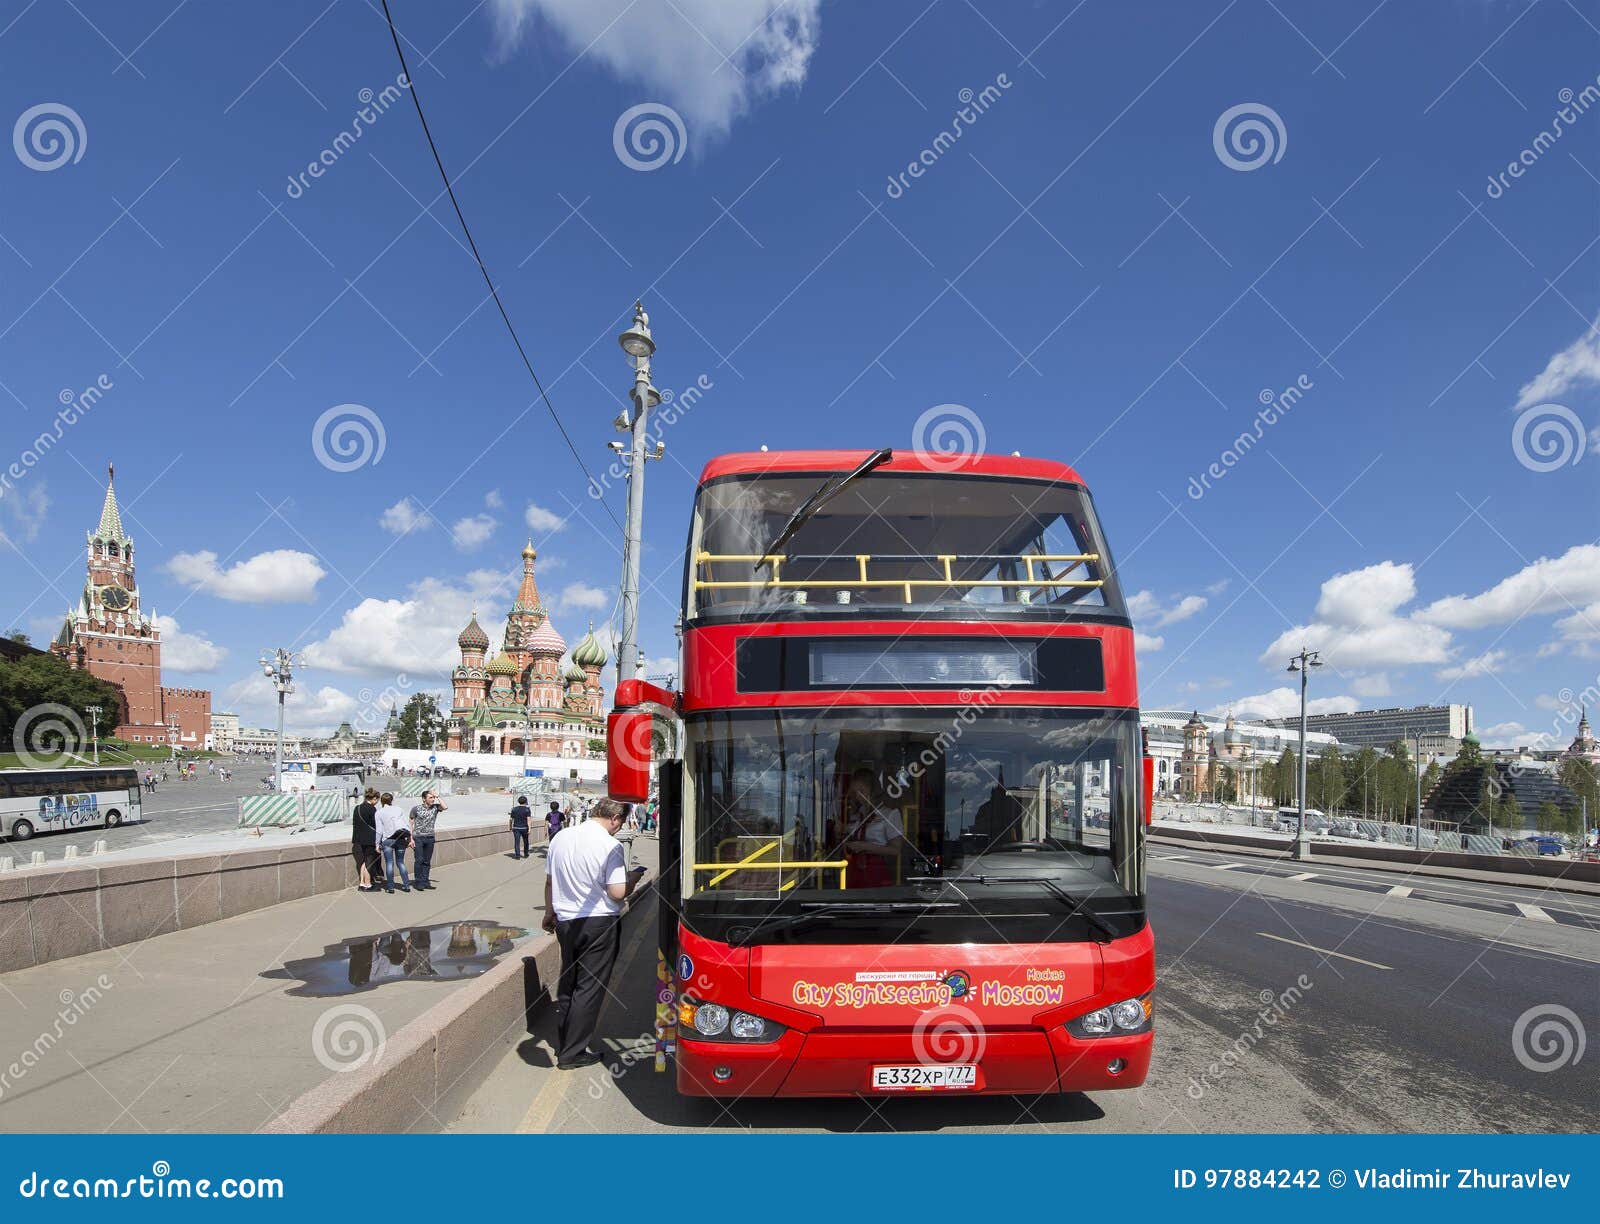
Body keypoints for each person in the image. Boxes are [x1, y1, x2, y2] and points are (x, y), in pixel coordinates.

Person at [542, 797, 647, 1070]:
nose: (618, 828)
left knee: (569, 983)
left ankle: (564, 1041)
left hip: (566, 922)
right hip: (599, 923)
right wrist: (633, 878)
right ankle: (572, 1053)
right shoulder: (609, 846)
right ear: (614, 818)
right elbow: (617, 892)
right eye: (620, 822)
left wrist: (548, 913)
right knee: (589, 988)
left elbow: (550, 882)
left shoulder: (561, 838)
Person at [839, 767, 916, 889]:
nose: (858, 796)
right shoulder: (857, 815)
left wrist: (864, 846)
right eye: (855, 792)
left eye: (861, 791)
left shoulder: (890, 814)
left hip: (876, 869)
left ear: (873, 790)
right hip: (854, 868)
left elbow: (896, 850)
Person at [376, 791, 412, 893]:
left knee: (389, 863)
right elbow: (406, 824)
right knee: (400, 862)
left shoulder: (379, 812)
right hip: (400, 838)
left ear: (381, 801)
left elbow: (379, 831)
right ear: (392, 800)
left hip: (388, 840)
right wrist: (409, 839)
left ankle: (391, 887)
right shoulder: (399, 809)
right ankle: (406, 885)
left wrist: (377, 844)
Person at [410, 789, 445, 890]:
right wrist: (411, 838)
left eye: (433, 797)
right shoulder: (416, 809)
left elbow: (445, 807)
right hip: (418, 837)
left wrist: (437, 796)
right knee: (419, 860)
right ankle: (418, 882)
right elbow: (411, 823)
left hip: (430, 837)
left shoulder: (435, 808)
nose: (433, 799)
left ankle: (425, 881)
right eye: (430, 797)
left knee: (427, 861)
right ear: (424, 799)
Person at [351, 787, 383, 893]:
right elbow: (376, 825)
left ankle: (361, 884)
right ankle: (368, 885)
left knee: (364, 861)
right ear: (374, 798)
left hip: (359, 839)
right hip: (370, 839)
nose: (377, 802)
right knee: (369, 862)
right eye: (377, 800)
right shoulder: (372, 809)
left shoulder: (357, 808)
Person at [509, 794, 532, 859]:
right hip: (524, 828)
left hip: (516, 828)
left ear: (519, 801)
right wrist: (529, 828)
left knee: (517, 842)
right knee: (526, 841)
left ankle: (517, 855)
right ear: (526, 801)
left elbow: (511, 819)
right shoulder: (527, 809)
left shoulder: (514, 809)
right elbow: (528, 819)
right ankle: (526, 854)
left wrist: (510, 827)